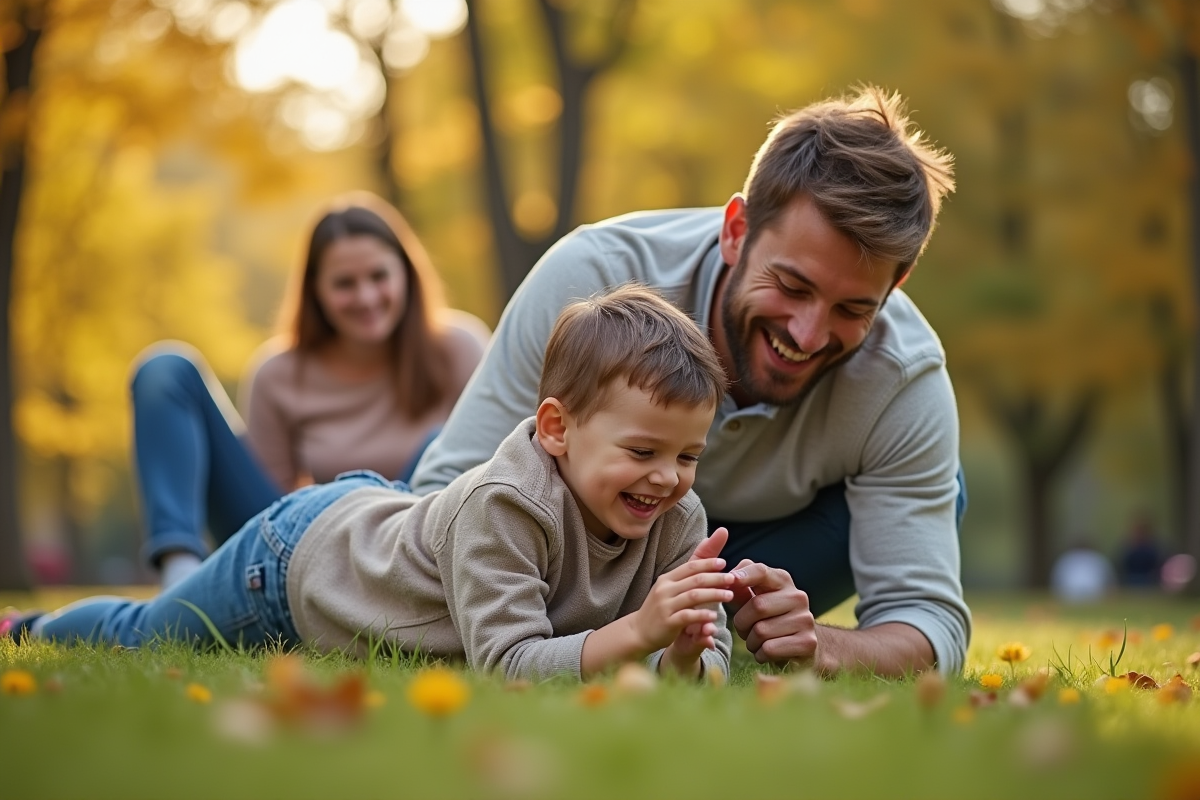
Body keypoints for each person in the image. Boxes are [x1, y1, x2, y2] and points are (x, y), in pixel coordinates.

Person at [410, 85, 971, 676]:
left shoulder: (906, 376)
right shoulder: (592, 277)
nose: (807, 334)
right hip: (564, 558)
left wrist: (817, 644)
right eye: (792, 286)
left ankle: (705, 641)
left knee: (946, 485)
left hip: (741, 558)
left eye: (853, 309)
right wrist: (574, 633)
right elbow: (445, 495)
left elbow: (931, 625)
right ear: (736, 230)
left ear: (896, 285)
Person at [3, 286, 735, 681]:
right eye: (643, 450)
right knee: (148, 635)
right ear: (556, 429)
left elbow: (704, 663)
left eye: (688, 456)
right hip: (297, 564)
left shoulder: (678, 515)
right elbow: (510, 664)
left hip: (378, 526)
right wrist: (638, 630)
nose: (668, 479)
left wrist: (681, 652)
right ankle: (23, 630)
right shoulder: (506, 506)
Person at [131, 193, 489, 589]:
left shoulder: (460, 349)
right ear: (315, 290)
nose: (366, 297)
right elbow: (269, 514)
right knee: (164, 369)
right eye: (344, 284)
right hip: (311, 554)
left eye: (378, 276)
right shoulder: (277, 373)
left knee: (443, 445)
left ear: (405, 273)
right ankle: (179, 574)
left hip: (415, 546)